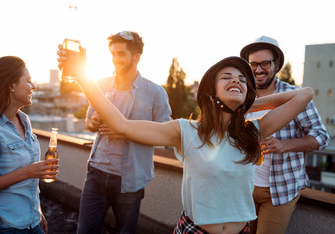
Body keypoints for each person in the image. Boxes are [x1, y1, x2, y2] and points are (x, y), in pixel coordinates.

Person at [71, 50, 313, 234]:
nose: (237, 81)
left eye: (242, 80)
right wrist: (82, 77)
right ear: (210, 92)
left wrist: (246, 102)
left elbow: (305, 94)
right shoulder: (185, 131)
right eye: (227, 77)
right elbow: (121, 125)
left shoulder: (252, 132)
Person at [57, 31, 172, 234]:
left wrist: (127, 131)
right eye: (112, 54)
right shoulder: (100, 85)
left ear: (136, 57)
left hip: (130, 180)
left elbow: (165, 135)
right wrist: (92, 122)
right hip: (96, 173)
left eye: (121, 54)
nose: (115, 59)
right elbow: (88, 122)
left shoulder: (156, 93)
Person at [240, 36, 330, 234]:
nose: (258, 69)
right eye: (253, 64)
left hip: (280, 191)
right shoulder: (242, 96)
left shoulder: (294, 96)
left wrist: (283, 145)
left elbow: (322, 136)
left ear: (277, 64)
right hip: (243, 188)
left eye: (265, 63)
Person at [0, 56, 59, 234]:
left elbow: (30, 183)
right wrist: (28, 171)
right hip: (2, 226)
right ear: (11, 86)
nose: (34, 86)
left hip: (31, 221)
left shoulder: (24, 120)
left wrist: (38, 211)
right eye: (28, 81)